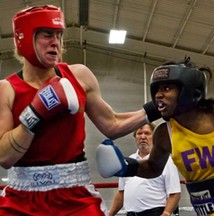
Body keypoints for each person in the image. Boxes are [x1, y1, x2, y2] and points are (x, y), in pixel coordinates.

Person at [0, 5, 160, 216]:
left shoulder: (79, 76)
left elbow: (112, 124)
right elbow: (4, 157)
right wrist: (35, 112)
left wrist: (159, 108)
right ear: (24, 38)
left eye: (59, 35)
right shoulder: (6, 89)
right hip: (22, 200)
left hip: (75, 196)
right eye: (47, 35)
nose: (55, 42)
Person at [96, 57, 214, 216]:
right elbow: (153, 167)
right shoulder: (165, 133)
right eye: (157, 89)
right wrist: (126, 166)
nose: (159, 95)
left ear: (191, 91)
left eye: (167, 88)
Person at [109, 123, 181, 216]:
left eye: (147, 133)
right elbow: (121, 193)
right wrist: (109, 214)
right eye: (139, 133)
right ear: (135, 137)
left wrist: (166, 213)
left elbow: (175, 193)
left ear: (154, 137)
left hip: (154, 212)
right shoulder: (128, 162)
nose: (143, 137)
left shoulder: (165, 160)